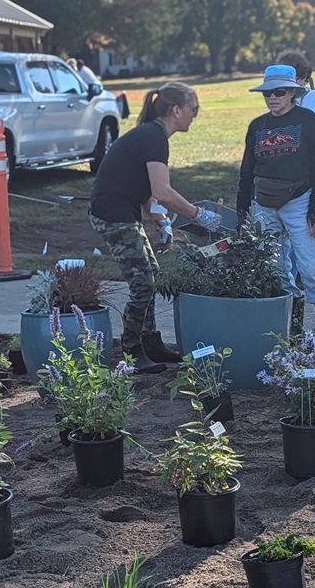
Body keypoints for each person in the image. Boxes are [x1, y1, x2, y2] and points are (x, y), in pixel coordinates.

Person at [88, 82, 218, 374]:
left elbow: (148, 191)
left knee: (153, 275)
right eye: (193, 109)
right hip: (111, 213)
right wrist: (199, 215)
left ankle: (151, 342)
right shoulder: (154, 137)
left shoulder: (153, 135)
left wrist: (161, 221)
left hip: (124, 212)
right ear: (176, 110)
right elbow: (163, 192)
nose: (195, 115)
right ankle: (132, 351)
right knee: (142, 283)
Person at [236, 64, 315, 334]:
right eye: (267, 93)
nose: (272, 98)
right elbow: (247, 171)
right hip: (264, 204)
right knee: (275, 269)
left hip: (300, 201)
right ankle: (292, 332)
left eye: (279, 92)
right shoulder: (257, 126)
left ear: (292, 91)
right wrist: (242, 212)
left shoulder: (308, 121)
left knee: (312, 267)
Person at [277, 50, 315, 335]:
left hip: (311, 185)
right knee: (287, 259)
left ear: (301, 78)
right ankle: (295, 331)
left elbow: (304, 138)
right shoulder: (277, 105)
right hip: (283, 192)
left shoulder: (314, 100)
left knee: (312, 260)